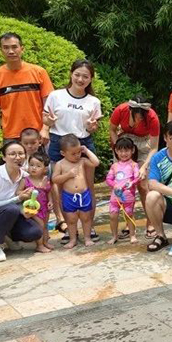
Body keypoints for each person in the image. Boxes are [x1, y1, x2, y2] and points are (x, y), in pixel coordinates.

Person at [44, 60, 103, 242]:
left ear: (91, 79)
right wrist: (48, 121)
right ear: (71, 74)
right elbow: (46, 119)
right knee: (62, 187)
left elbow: (93, 127)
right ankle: (70, 230)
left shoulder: (93, 101)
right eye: (77, 74)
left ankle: (89, 227)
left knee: (87, 186)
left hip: (82, 143)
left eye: (85, 76)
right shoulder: (55, 96)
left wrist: (92, 127)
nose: (80, 79)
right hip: (59, 142)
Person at [0, 32, 53, 149]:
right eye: (6, 48)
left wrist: (45, 129)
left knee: (39, 162)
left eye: (14, 47)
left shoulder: (39, 72)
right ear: (1, 50)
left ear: (22, 49)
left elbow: (48, 103)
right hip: (11, 135)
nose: (11, 51)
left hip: (37, 134)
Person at [0, 141, 43, 261]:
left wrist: (25, 209)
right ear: (4, 157)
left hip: (11, 214)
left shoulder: (25, 176)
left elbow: (24, 202)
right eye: (12, 154)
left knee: (34, 232)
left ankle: (7, 236)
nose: (18, 157)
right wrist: (17, 199)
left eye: (21, 154)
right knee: (11, 209)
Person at [143, 121, 172, 252]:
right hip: (169, 206)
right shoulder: (158, 158)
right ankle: (160, 235)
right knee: (151, 196)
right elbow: (152, 183)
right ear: (165, 138)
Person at [109, 95, 160, 204]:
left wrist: (144, 167)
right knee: (120, 182)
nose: (138, 119)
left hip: (143, 143)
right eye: (136, 116)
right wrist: (118, 148)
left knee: (143, 184)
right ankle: (121, 209)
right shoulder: (121, 110)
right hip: (124, 142)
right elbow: (112, 130)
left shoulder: (152, 117)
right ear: (130, 110)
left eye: (141, 117)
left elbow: (154, 148)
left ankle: (149, 213)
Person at [53, 134, 100, 249]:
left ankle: (87, 238)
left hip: (83, 194)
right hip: (68, 196)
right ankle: (73, 239)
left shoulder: (82, 161)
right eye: (73, 154)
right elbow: (55, 179)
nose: (77, 155)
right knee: (71, 219)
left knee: (86, 218)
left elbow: (96, 163)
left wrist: (86, 151)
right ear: (63, 153)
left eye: (79, 152)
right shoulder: (60, 164)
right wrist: (67, 175)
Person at [106, 137, 141, 245]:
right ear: (116, 151)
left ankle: (132, 235)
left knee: (129, 215)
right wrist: (115, 185)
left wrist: (132, 183)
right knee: (113, 216)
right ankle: (114, 236)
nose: (123, 153)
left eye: (126, 150)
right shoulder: (114, 166)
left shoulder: (134, 165)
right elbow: (108, 179)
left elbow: (137, 178)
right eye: (120, 151)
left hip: (128, 196)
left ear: (132, 150)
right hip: (115, 196)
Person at [23, 151, 53, 253]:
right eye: (31, 165)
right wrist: (25, 193)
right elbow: (18, 192)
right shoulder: (25, 180)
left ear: (45, 169)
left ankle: (45, 242)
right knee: (40, 225)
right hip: (32, 208)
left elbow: (49, 191)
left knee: (45, 225)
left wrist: (50, 201)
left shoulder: (45, 180)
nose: (34, 168)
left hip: (44, 207)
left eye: (38, 166)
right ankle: (39, 245)